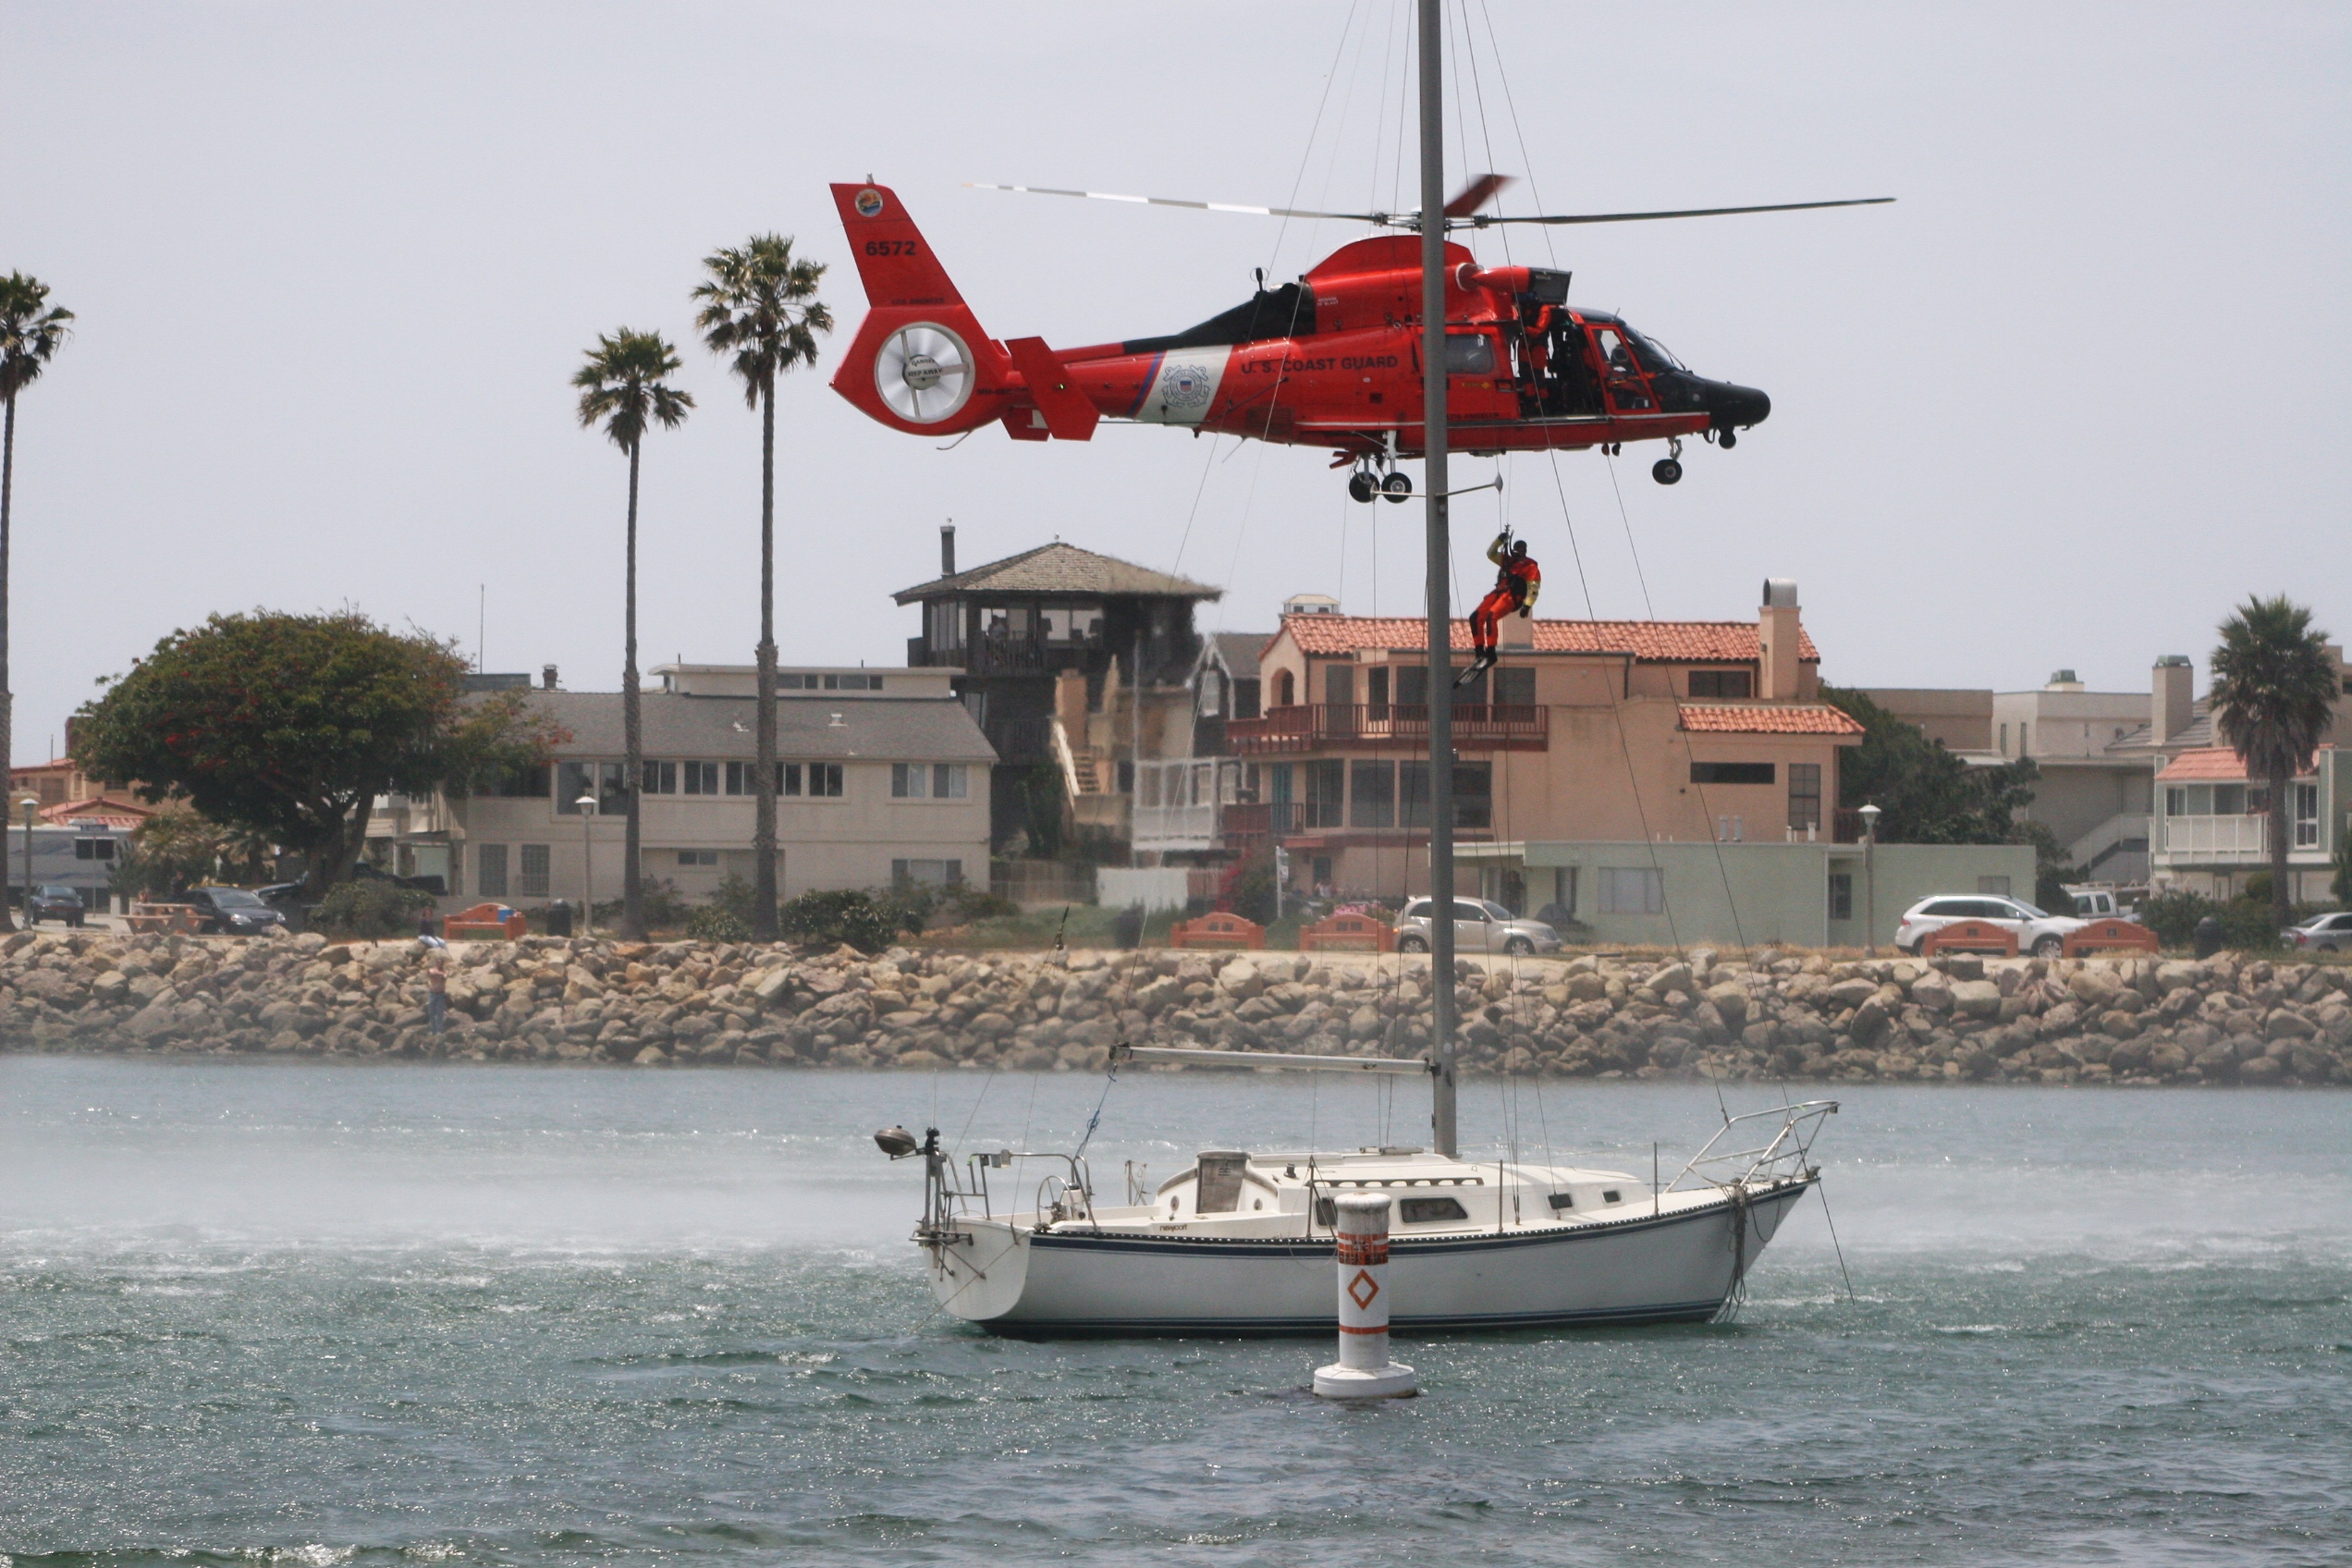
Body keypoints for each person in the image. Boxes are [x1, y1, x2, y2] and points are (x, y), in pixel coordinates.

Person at [1460, 529, 1540, 685]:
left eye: (1521, 550)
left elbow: (1534, 587)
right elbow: (1491, 553)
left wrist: (1527, 605)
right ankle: (1479, 652)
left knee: (1491, 617)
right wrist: (1499, 540)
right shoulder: (1507, 562)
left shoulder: (1530, 567)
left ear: (1525, 551)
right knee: (1475, 617)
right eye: (1516, 549)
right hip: (1498, 592)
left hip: (1512, 596)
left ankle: (1491, 652)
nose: (1517, 552)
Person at [424, 958, 448, 1036]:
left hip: (440, 994)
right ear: (436, 963)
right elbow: (429, 973)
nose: (440, 964)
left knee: (439, 1013)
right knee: (431, 1012)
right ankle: (433, 1030)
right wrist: (437, 974)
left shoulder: (445, 972)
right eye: (439, 963)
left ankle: (439, 1030)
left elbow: (444, 977)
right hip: (432, 994)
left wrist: (439, 974)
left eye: (441, 963)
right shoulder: (432, 970)